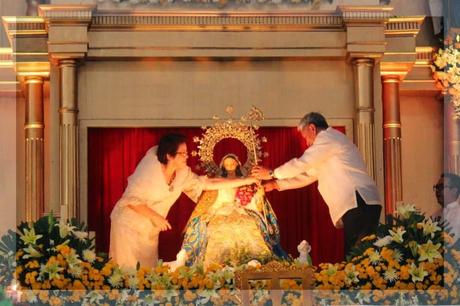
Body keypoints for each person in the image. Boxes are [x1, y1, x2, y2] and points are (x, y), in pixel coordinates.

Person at [109, 133, 257, 269]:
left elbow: (208, 184)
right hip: (127, 226)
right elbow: (130, 199)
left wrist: (245, 180)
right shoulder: (149, 169)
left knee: (146, 273)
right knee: (128, 273)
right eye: (182, 153)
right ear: (169, 156)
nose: (187, 156)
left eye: (187, 153)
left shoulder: (182, 173)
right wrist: (155, 216)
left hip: (149, 230)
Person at [252, 112, 382, 256]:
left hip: (359, 200)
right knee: (356, 253)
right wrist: (277, 184)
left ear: (312, 128)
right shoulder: (327, 147)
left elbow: (303, 163)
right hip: (357, 203)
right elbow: (308, 175)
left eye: (306, 137)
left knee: (359, 255)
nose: (307, 143)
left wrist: (272, 173)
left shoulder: (328, 138)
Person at [167, 153, 287, 270]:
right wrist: (209, 214)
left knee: (248, 225)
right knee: (219, 228)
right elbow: (212, 203)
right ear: (222, 165)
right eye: (227, 163)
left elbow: (254, 203)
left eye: (232, 163)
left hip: (242, 211)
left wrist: (258, 194)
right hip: (221, 212)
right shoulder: (216, 182)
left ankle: (256, 263)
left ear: (237, 164)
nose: (230, 165)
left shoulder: (247, 180)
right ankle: (216, 268)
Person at [433, 172, 460, 242]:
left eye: (441, 187)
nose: (437, 191)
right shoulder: (434, 215)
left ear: (454, 190)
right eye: (436, 187)